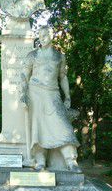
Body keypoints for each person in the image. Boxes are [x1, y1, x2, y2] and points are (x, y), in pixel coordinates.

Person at [20, 26, 80, 171]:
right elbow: (24, 75)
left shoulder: (59, 56)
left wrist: (68, 97)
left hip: (53, 94)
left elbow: (63, 76)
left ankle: (71, 160)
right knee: (38, 129)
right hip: (35, 94)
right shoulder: (32, 55)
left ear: (51, 36)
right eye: (40, 35)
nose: (42, 38)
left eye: (45, 35)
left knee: (63, 126)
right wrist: (23, 94)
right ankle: (40, 161)